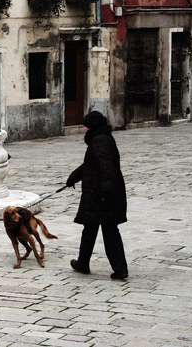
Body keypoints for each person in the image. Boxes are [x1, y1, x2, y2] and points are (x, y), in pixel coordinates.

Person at [65, 110, 129, 280]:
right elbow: (90, 165)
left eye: (85, 126)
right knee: (91, 228)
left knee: (108, 230)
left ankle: (119, 268)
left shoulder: (99, 141)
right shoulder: (101, 139)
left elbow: (107, 167)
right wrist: (74, 177)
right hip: (100, 194)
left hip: (101, 195)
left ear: (91, 127)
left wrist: (106, 192)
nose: (84, 130)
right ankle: (83, 263)